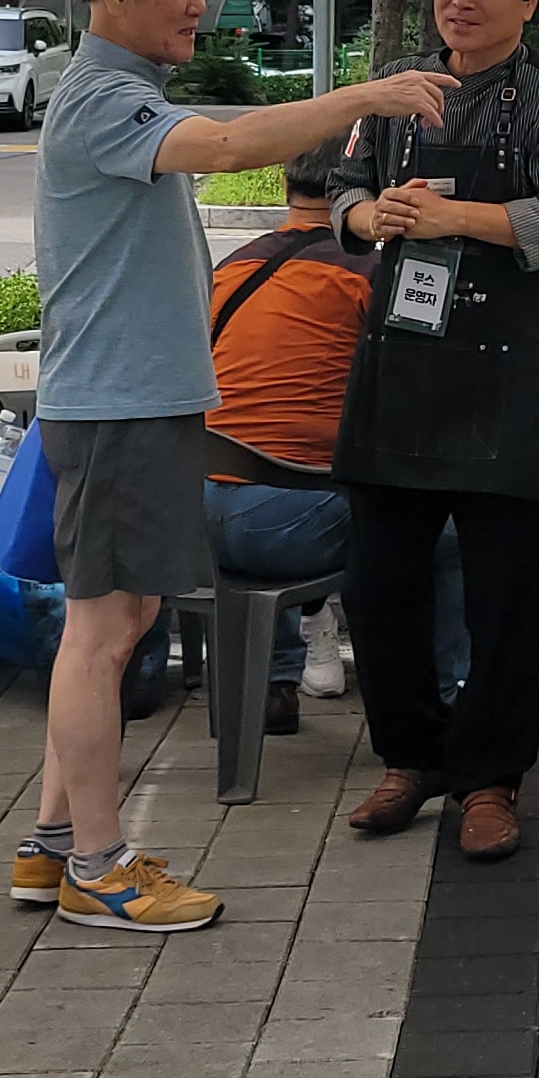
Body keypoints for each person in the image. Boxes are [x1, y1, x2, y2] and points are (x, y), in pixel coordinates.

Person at [18, 0, 453, 934]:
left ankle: (53, 848)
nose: (198, 2)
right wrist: (369, 93)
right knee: (104, 634)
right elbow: (227, 146)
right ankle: (98, 866)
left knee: (113, 627)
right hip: (118, 409)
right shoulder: (100, 99)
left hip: (139, 406)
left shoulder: (125, 95)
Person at [330, 0, 539, 864]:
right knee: (381, 585)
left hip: (510, 375)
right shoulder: (395, 89)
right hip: (401, 366)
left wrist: (454, 218)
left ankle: (490, 779)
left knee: (504, 595)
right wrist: (370, 215)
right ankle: (410, 758)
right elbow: (341, 191)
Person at [203, 138, 369, 736]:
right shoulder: (365, 275)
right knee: (439, 527)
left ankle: (274, 682)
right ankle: (442, 695)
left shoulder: (231, 268)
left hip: (193, 520)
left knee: (274, 470)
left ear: (284, 188)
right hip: (288, 528)